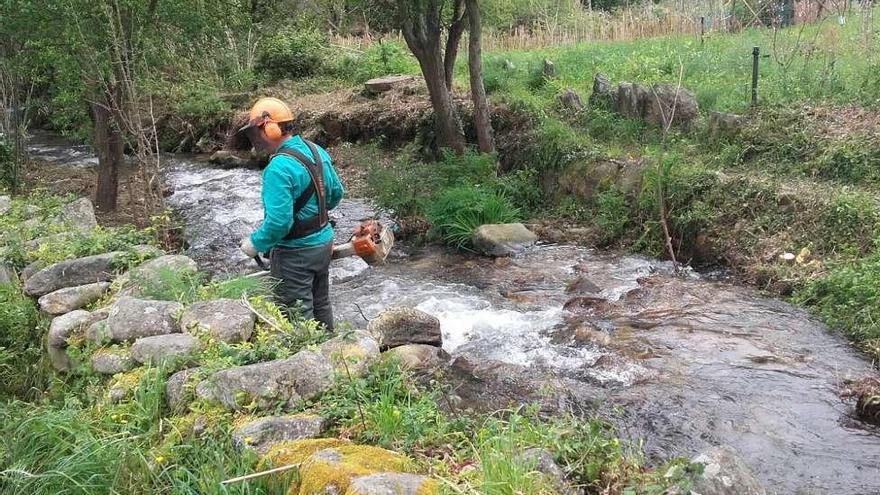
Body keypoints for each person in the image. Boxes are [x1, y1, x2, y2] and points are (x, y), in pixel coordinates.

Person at [238, 97, 344, 331]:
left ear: (269, 129)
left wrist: (254, 243)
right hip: (323, 243)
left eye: (257, 132)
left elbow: (279, 223)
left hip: (295, 254)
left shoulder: (278, 168)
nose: (257, 139)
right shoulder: (316, 151)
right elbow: (336, 194)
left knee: (296, 312)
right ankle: (331, 349)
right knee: (321, 303)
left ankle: (307, 359)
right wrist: (313, 214)